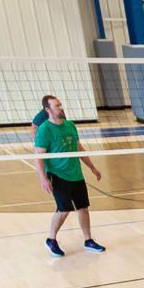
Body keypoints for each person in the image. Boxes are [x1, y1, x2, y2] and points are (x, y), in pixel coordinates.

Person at [34, 96, 105, 257]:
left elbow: (79, 148)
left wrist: (92, 168)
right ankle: (51, 239)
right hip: (58, 175)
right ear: (48, 109)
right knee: (64, 210)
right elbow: (38, 157)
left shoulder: (70, 125)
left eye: (60, 105)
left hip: (76, 174)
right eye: (56, 105)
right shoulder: (44, 129)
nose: (61, 107)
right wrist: (43, 179)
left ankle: (88, 241)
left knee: (83, 208)